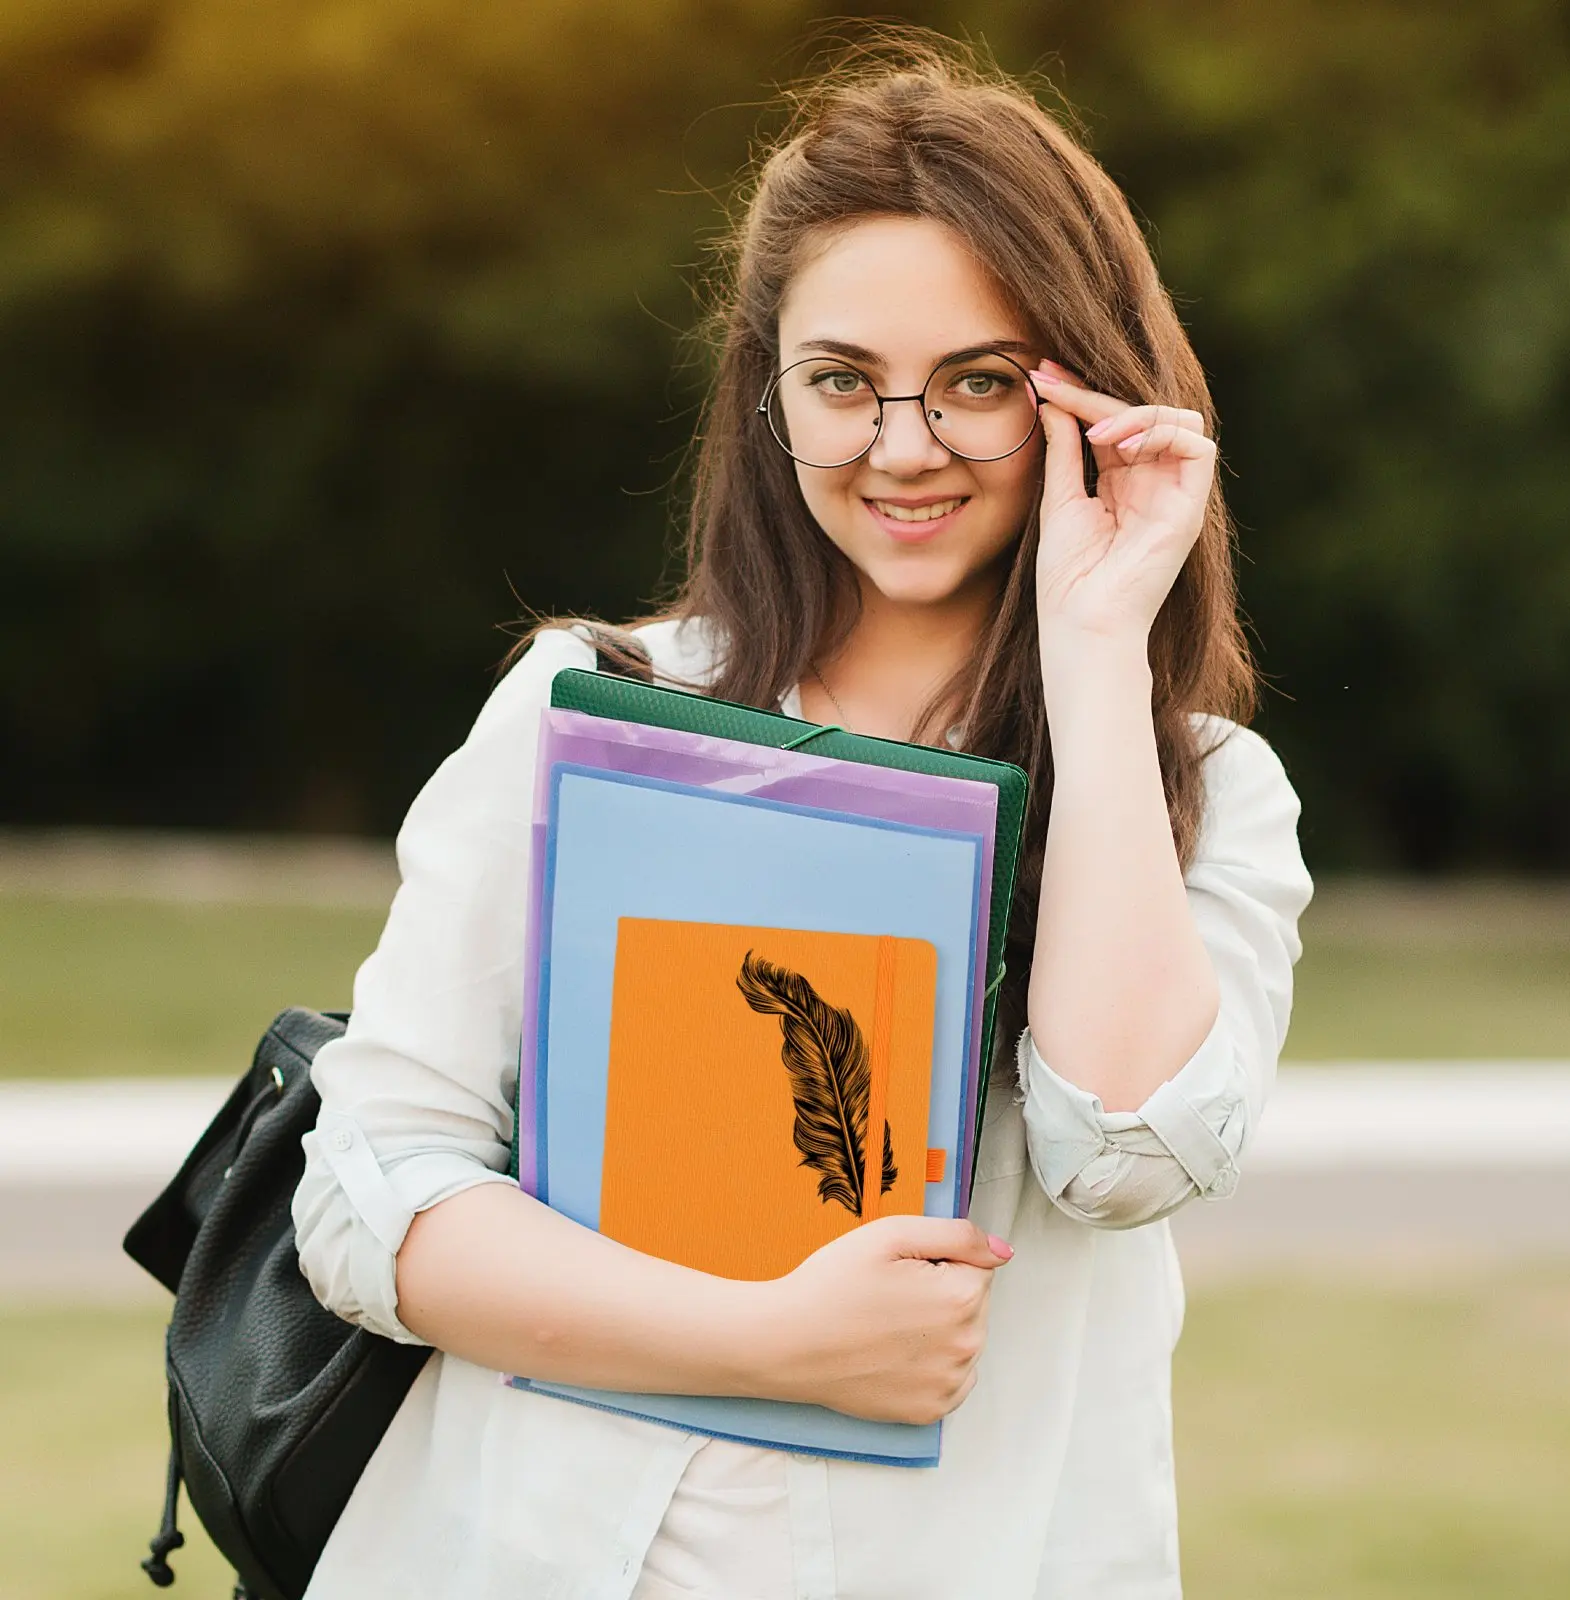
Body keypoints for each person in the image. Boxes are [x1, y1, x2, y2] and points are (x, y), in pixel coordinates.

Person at [291, 33, 1312, 1600]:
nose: (904, 448)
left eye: (979, 384)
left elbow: (1130, 1152)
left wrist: (1095, 652)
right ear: (769, 394)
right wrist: (769, 1341)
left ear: (1090, 396)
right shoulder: (590, 704)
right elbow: (370, 1201)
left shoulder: (1197, 793)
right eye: (842, 382)